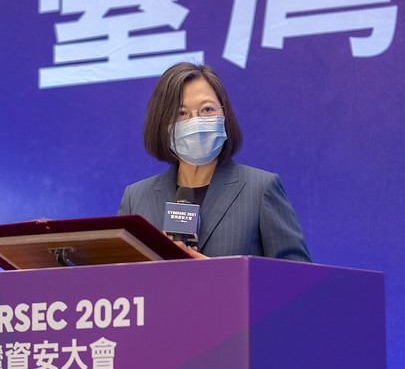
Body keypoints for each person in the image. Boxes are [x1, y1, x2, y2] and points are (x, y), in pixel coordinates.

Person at [118, 62, 311, 262]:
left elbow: (298, 275)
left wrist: (222, 275)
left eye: (207, 109)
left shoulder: (261, 189)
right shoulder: (136, 199)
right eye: (181, 113)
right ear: (161, 124)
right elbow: (117, 275)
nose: (196, 121)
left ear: (224, 115)